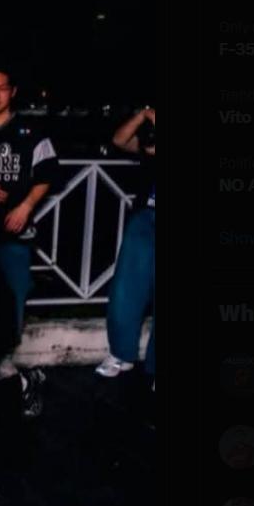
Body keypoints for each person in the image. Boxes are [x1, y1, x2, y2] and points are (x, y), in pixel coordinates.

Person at [0, 68, 59, 418]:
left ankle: (7, 364)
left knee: (14, 295)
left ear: (12, 92)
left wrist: (25, 206)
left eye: (2, 88)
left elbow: (48, 173)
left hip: (15, 231)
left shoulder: (31, 132)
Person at [96, 106, 156, 388]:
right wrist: (143, 116)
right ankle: (121, 354)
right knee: (127, 288)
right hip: (146, 216)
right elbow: (119, 140)